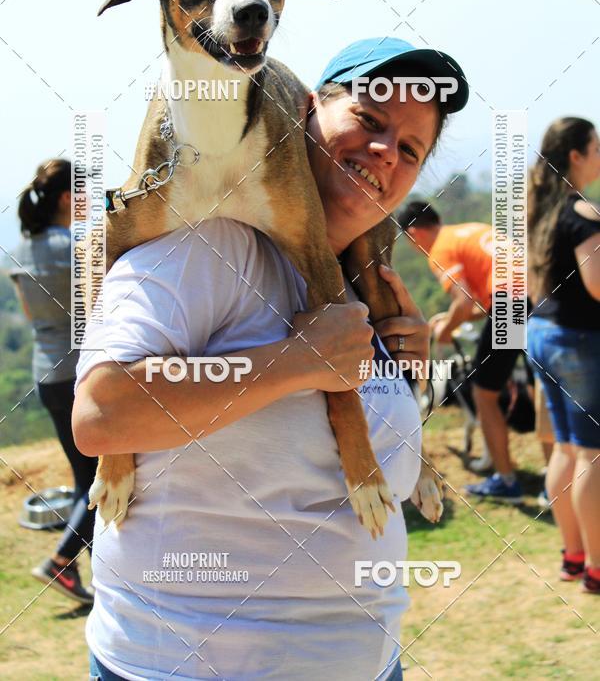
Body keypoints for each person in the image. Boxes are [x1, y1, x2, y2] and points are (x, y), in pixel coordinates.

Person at [72, 38, 469, 681]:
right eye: (368, 120)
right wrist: (294, 363)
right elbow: (101, 412)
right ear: (307, 111)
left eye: (410, 149)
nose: (384, 153)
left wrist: (405, 377)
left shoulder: (362, 282)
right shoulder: (208, 243)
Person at [396, 204, 526, 503]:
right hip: (530, 295)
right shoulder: (466, 230)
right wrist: (452, 319)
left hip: (509, 304)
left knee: (483, 393)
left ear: (413, 234)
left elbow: (465, 302)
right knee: (539, 384)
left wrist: (440, 332)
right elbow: (479, 308)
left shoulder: (439, 250)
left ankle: (507, 482)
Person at [10, 159, 97, 606]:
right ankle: (62, 562)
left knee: (88, 477)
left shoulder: (23, 248)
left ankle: (91, 569)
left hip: (47, 374)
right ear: (68, 197)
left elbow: (29, 312)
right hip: (82, 373)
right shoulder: (76, 245)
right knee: (100, 478)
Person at [527, 117, 600, 593]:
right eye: (597, 147)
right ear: (576, 154)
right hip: (578, 341)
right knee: (593, 454)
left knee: (568, 449)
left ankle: (573, 556)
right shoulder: (584, 213)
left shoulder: (540, 207)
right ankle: (597, 567)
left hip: (540, 334)